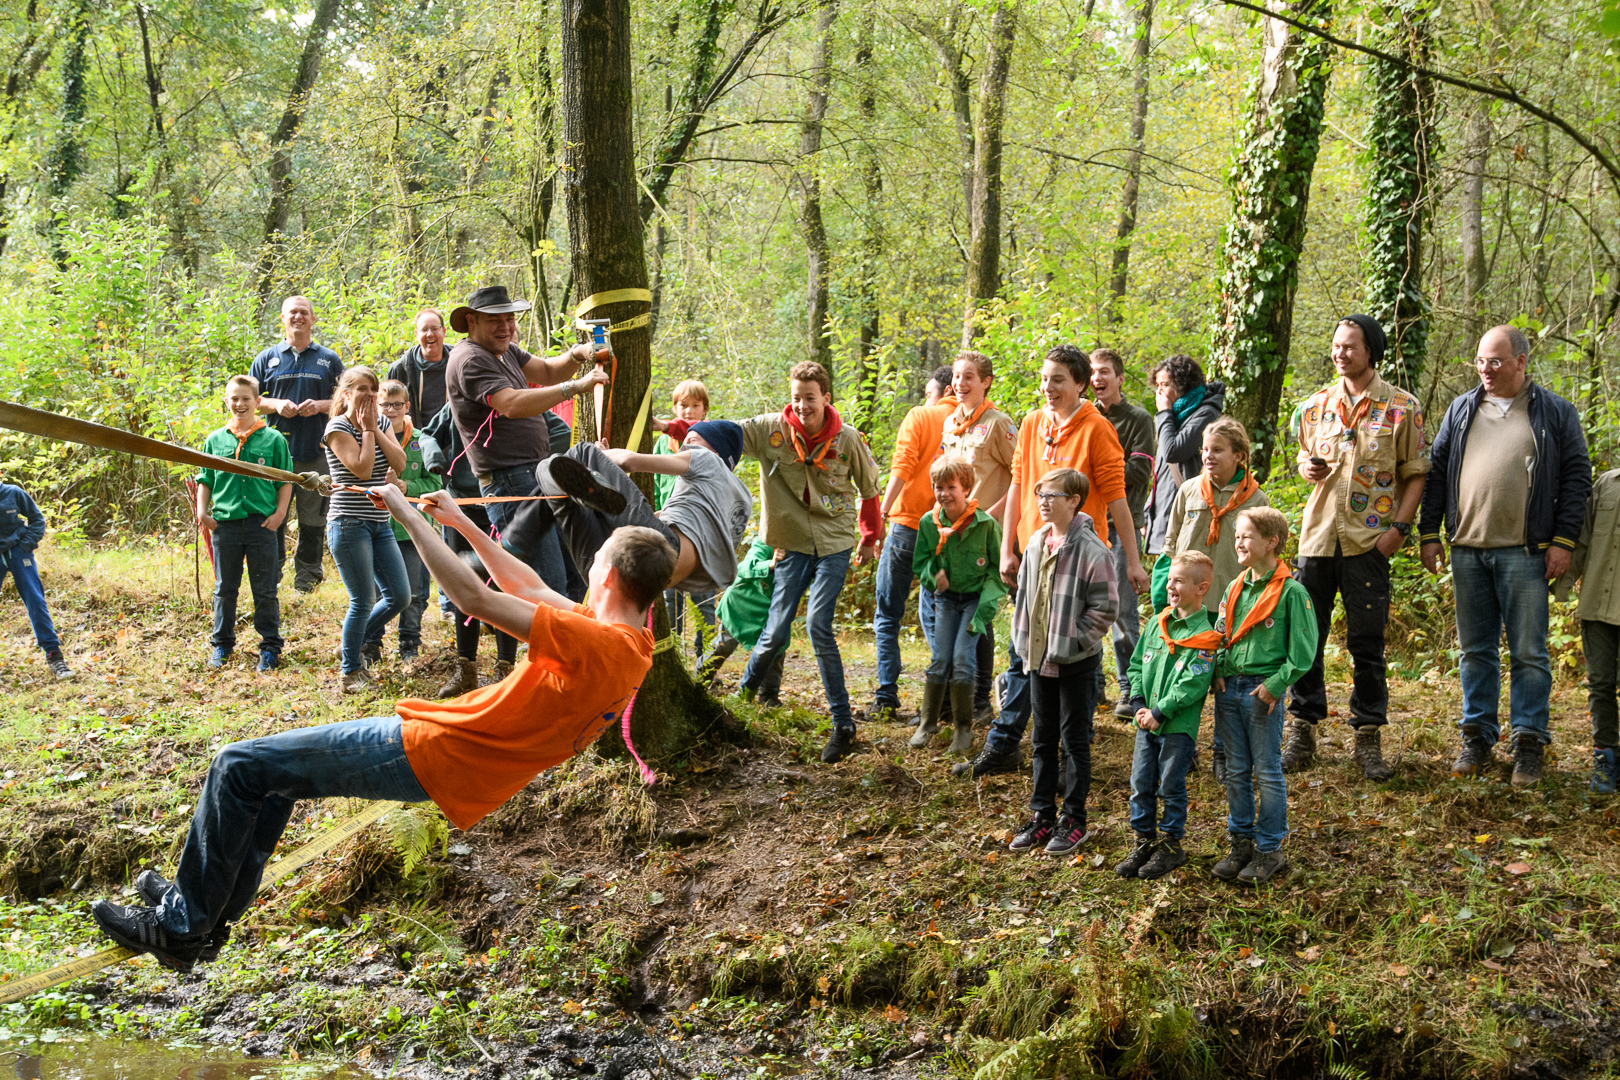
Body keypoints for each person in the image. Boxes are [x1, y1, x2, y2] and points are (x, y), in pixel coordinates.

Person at [88, 483, 675, 974]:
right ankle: (205, 911)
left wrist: (406, 514)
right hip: (449, 755)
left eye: (595, 560)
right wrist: (460, 524)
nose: (587, 567)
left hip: (434, 751)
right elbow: (530, 589)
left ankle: (180, 927)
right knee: (271, 782)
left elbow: (471, 597)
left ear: (607, 576)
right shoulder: (629, 645)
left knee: (237, 766)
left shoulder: (597, 643)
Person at [957, 345, 1146, 780]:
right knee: (1023, 651)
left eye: (1058, 379)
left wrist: (1133, 562)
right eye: (1044, 378)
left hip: (1078, 561)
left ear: (1080, 384)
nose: (1048, 387)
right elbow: (1019, 485)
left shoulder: (1097, 429)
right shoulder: (1032, 423)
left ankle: (1072, 754)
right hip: (1035, 556)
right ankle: (1005, 744)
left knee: (1074, 657)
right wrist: (1008, 548)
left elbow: (1118, 499)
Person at [1420, 325, 1591, 788]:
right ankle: (1477, 736)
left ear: (1521, 361)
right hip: (1467, 550)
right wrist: (1429, 533)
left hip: (1526, 552)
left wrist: (1564, 541)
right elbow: (1437, 473)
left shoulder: (1554, 412)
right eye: (1480, 361)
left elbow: (1577, 477)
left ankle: (1529, 742)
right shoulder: (1461, 409)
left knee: (1529, 652)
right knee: (1475, 651)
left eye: (1495, 361)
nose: (1486, 370)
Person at [1286, 315, 1430, 780]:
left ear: (1371, 351)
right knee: (1305, 637)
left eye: (1350, 346)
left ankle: (1368, 735)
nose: (1340, 353)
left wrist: (1399, 530)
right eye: (1336, 345)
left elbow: (1416, 473)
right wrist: (1307, 468)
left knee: (1367, 643)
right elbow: (1305, 457)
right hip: (1317, 539)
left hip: (1369, 542)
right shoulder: (1316, 406)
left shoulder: (1402, 407)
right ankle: (1302, 729)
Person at [738, 361, 882, 763]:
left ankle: (843, 724)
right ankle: (742, 697)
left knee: (819, 624)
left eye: (810, 398)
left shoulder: (848, 439)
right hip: (792, 543)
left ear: (826, 398)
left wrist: (870, 538)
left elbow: (870, 490)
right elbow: (724, 433)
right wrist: (671, 427)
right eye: (796, 397)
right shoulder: (771, 430)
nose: (802, 406)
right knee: (775, 629)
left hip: (834, 541)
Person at [444, 285, 608, 595]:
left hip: (537, 475)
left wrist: (579, 353)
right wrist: (576, 387)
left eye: (509, 319)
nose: (505, 327)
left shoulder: (503, 350)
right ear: (471, 322)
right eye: (495, 320)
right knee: (546, 585)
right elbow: (511, 404)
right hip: (510, 482)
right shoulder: (470, 359)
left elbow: (546, 371)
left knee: (575, 577)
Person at [501, 421, 752, 607]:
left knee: (581, 453)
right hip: (637, 579)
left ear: (716, 452)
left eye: (692, 442)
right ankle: (585, 487)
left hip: (657, 551)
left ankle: (513, 543)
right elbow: (679, 528)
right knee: (551, 471)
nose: (684, 448)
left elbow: (629, 460)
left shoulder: (708, 460)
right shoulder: (739, 501)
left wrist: (600, 457)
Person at [1005, 469, 1117, 856]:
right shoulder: (1037, 542)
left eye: (1051, 495)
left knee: (1074, 741)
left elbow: (1105, 608)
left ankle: (1074, 819)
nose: (1043, 501)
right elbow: (1024, 598)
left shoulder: (1093, 551)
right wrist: (1023, 641)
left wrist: (1073, 642)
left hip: (1075, 662)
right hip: (1038, 660)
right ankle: (1042, 815)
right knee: (1042, 739)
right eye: (1040, 494)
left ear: (1073, 501)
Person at [1160, 417, 1270, 783]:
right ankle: (1181, 747)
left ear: (1239, 455)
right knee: (1182, 677)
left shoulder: (1256, 500)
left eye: (1218, 450)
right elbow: (1172, 546)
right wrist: (1167, 594)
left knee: (1225, 681)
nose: (1208, 456)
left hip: (1230, 605)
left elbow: (1262, 559)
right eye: (1205, 449)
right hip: (1189, 606)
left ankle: (1224, 752)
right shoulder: (1189, 490)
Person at [1212, 507, 1316, 886]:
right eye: (1237, 535)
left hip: (1262, 691)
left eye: (1247, 536)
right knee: (1236, 769)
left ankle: (1270, 848)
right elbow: (1221, 634)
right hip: (1230, 688)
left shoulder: (1292, 592)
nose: (1238, 542)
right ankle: (1240, 842)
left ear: (1272, 542)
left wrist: (1274, 685)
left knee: (1267, 770)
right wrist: (1218, 669)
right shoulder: (1234, 587)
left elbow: (1303, 653)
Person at [1116, 551, 1219, 881]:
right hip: (1146, 722)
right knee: (1140, 783)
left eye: (1179, 581)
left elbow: (1194, 683)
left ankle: (1171, 844)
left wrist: (1160, 712)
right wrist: (1138, 704)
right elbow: (1136, 665)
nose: (1170, 586)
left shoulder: (1205, 638)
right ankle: (1144, 841)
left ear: (1201, 588)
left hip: (1176, 726)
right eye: (1169, 580)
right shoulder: (1156, 624)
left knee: (1171, 785)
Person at [870, 366, 958, 722]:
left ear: (946, 389)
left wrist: (880, 514)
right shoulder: (969, 424)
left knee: (887, 615)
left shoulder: (921, 416)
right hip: (946, 531)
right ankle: (944, 701)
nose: (925, 398)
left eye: (928, 391)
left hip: (907, 528)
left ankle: (886, 698)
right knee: (936, 616)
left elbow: (902, 465)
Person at [420, 402, 520, 696]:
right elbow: (427, 435)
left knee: (504, 586)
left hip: (502, 503)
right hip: (460, 505)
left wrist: (529, 470)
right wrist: (435, 458)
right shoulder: (456, 403)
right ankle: (466, 668)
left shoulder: (513, 401)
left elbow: (555, 431)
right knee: (463, 583)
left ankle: (505, 669)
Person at [195, 375, 293, 673]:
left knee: (265, 590)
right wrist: (203, 513)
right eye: (234, 399)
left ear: (257, 402)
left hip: (262, 525)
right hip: (225, 525)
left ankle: (270, 648)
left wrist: (279, 515)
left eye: (246, 399)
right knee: (225, 588)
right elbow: (205, 479)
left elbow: (286, 481)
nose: (240, 404)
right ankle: (222, 645)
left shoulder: (273, 439)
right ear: (226, 401)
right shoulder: (215, 439)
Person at [938, 350, 1016, 721]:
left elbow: (1021, 476)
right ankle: (951, 700)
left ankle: (981, 700)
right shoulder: (950, 422)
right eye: (957, 376)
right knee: (955, 607)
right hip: (954, 535)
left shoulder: (999, 424)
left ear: (985, 382)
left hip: (985, 534)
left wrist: (991, 516)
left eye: (969, 376)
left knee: (980, 611)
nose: (960, 383)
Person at [909, 456, 1006, 754]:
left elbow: (996, 571)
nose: (944, 494)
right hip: (947, 600)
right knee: (940, 658)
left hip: (975, 601)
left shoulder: (986, 525)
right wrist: (933, 575)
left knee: (963, 659)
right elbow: (921, 562)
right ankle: (928, 723)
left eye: (951, 487)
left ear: (966, 488)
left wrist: (984, 610)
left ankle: (964, 729)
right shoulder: (929, 523)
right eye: (939, 487)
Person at [323, 366, 410, 692]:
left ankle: (351, 640)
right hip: (348, 523)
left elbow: (399, 463)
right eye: (362, 389)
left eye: (374, 390)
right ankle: (350, 672)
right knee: (362, 599)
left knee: (400, 597)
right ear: (346, 394)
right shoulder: (337, 427)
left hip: (379, 522)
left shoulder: (383, 422)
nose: (370, 395)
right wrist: (369, 431)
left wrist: (375, 428)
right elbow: (361, 469)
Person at [249, 295, 343, 593]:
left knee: (313, 519)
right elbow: (249, 401)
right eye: (292, 312)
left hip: (316, 451)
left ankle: (307, 580)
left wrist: (321, 405)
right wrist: (277, 405)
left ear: (313, 319)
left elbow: (346, 401)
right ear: (283, 318)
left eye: (304, 312)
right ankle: (270, 575)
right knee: (271, 515)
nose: (298, 317)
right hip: (272, 455)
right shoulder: (266, 358)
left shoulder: (329, 359)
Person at [1090, 347, 1155, 717]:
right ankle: (1092, 685)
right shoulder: (1084, 416)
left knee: (1121, 610)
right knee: (1083, 608)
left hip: (1121, 526)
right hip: (1085, 526)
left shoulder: (1138, 419)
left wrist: (1095, 473)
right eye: (1092, 372)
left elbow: (1140, 472)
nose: (1097, 378)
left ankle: (1130, 690)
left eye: (1104, 372)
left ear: (1119, 378)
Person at [364, 380, 445, 664]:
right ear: (376, 406)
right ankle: (370, 643)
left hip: (410, 529)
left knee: (413, 592)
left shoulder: (421, 440)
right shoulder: (368, 436)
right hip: (376, 526)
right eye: (385, 405)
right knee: (375, 591)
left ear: (407, 406)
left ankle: (409, 644)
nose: (391, 410)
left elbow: (435, 484)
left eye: (397, 405)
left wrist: (405, 486)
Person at [1556, 465, 1620, 793]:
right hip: (1598, 603)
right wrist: (1561, 585)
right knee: (1600, 684)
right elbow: (1581, 541)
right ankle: (1606, 761)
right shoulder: (1606, 484)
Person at [653, 380, 716, 656]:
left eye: (695, 405)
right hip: (669, 528)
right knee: (671, 598)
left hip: (701, 529)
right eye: (683, 405)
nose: (689, 411)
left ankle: (706, 662)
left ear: (705, 409)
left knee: (704, 600)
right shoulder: (662, 443)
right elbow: (656, 484)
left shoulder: (710, 440)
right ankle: (674, 655)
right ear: (674, 408)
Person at [1143, 354, 1225, 564]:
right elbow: (1162, 471)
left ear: (1183, 385)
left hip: (1190, 515)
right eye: (1157, 385)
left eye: (1165, 385)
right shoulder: (1174, 418)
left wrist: (1164, 413)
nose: (1159, 392)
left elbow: (1174, 451)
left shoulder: (1205, 414)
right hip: (1167, 513)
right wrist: (1147, 513)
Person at [697, 538, 788, 705]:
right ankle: (700, 678)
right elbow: (744, 568)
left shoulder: (805, 550)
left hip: (774, 611)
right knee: (724, 645)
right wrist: (770, 564)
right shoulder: (766, 542)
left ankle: (768, 698)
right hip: (742, 606)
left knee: (776, 651)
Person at [0, 480, 73, 680]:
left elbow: (37, 519)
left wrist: (27, 545)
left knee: (35, 600)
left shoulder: (13, 492)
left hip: (19, 551)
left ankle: (54, 656)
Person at [387, 309, 451, 424]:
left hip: (452, 433)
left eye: (435, 329)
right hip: (413, 434)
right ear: (416, 334)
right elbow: (388, 411)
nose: (430, 334)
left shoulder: (459, 363)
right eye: (424, 329)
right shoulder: (401, 369)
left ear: (444, 331)